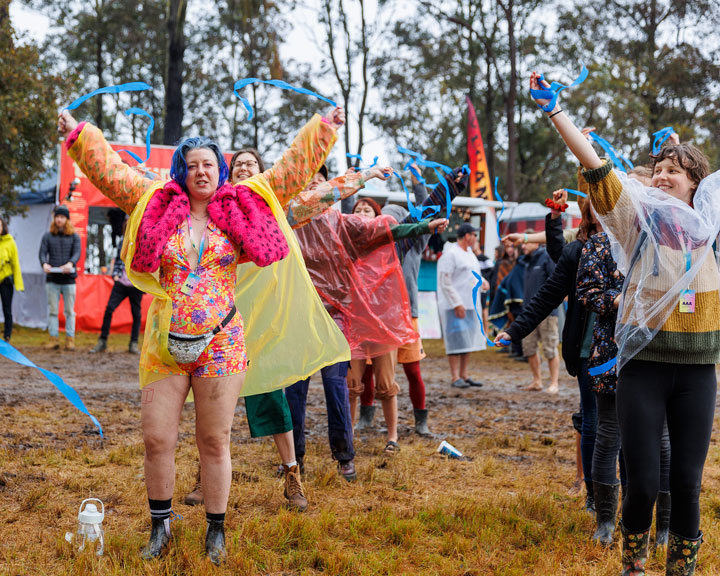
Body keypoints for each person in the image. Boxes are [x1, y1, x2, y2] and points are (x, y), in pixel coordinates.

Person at [58, 104, 349, 566]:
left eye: (208, 164)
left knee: (214, 442)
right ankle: (161, 527)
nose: (200, 172)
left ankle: (216, 530)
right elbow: (111, 173)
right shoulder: (155, 200)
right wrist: (78, 135)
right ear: (181, 171)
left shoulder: (243, 202)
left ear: (221, 169)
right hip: (164, 344)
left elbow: (290, 174)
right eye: (191, 165)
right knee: (157, 439)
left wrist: (325, 127)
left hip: (222, 342)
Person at [531, 69, 718, 576]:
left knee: (685, 480)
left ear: (696, 184)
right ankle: (633, 566)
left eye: (673, 170)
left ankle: (682, 568)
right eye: (658, 168)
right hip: (642, 368)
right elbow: (596, 168)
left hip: (698, 372)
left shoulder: (714, 236)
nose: (660, 175)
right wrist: (555, 112)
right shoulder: (634, 224)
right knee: (640, 481)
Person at [496, 192, 600, 514]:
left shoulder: (634, 246)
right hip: (588, 354)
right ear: (587, 211)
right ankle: (597, 499)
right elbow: (548, 292)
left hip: (632, 355)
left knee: (626, 429)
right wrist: (513, 330)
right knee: (595, 425)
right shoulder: (578, 250)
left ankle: (631, 499)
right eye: (597, 203)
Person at [346, 196, 448, 454]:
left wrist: (449, 186)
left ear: (378, 216)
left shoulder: (390, 241)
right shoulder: (346, 243)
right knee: (352, 384)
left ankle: (393, 437)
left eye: (367, 208)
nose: (362, 211)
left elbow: (409, 227)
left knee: (386, 383)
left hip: (384, 324)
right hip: (354, 325)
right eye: (357, 208)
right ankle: (346, 436)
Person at [436, 223, 489, 388]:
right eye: (474, 235)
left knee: (467, 340)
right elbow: (445, 281)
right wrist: (456, 303)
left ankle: (464, 374)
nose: (476, 238)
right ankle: (454, 376)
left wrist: (483, 282)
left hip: (471, 304)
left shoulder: (470, 254)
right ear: (467, 236)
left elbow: (473, 274)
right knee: (455, 339)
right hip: (455, 306)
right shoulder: (451, 254)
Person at [515, 229, 560, 392]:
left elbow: (556, 283)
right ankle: (537, 381)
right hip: (528, 313)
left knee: (550, 348)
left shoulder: (547, 258)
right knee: (529, 348)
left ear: (535, 242)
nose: (523, 247)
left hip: (548, 314)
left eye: (526, 243)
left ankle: (554, 383)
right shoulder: (526, 261)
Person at [91, 218, 144, 354]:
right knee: (109, 309)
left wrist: (143, 282)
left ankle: (133, 344)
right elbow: (118, 260)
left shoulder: (143, 243)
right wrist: (115, 274)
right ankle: (102, 341)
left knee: (136, 315)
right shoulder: (122, 242)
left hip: (135, 285)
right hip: (121, 283)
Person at [39, 205, 81, 350]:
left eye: (62, 217)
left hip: (69, 280)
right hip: (52, 280)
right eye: (57, 217)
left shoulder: (74, 236)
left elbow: (77, 253)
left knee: (69, 311)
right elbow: (42, 253)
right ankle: (53, 338)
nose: (59, 219)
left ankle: (70, 339)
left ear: (67, 219)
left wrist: (70, 263)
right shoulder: (47, 236)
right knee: (53, 311)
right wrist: (44, 263)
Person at [0, 217, 24, 342]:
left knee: (7, 309)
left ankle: (7, 336)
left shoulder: (10, 242)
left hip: (5, 281)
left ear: (3, 227)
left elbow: (16, 263)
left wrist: (18, 283)